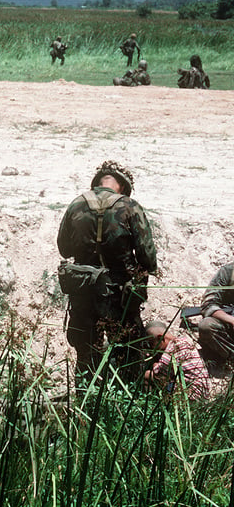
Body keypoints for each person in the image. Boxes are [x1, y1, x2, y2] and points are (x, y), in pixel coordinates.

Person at [57, 160, 158, 387]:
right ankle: (123, 404)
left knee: (86, 352)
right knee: (127, 352)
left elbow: (64, 248)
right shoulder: (129, 206)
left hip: (83, 291)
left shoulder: (76, 205)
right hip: (118, 296)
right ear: (122, 185)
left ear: (98, 182)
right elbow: (147, 257)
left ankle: (85, 405)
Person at [143, 320, 209, 401]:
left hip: (190, 395)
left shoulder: (171, 350)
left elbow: (159, 375)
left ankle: (149, 402)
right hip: (202, 393)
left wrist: (155, 364)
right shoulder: (184, 340)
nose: (152, 348)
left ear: (161, 338)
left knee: (147, 375)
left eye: (152, 344)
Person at [195, 262, 234, 364]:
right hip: (229, 325)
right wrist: (231, 320)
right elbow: (208, 304)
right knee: (206, 326)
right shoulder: (228, 272)